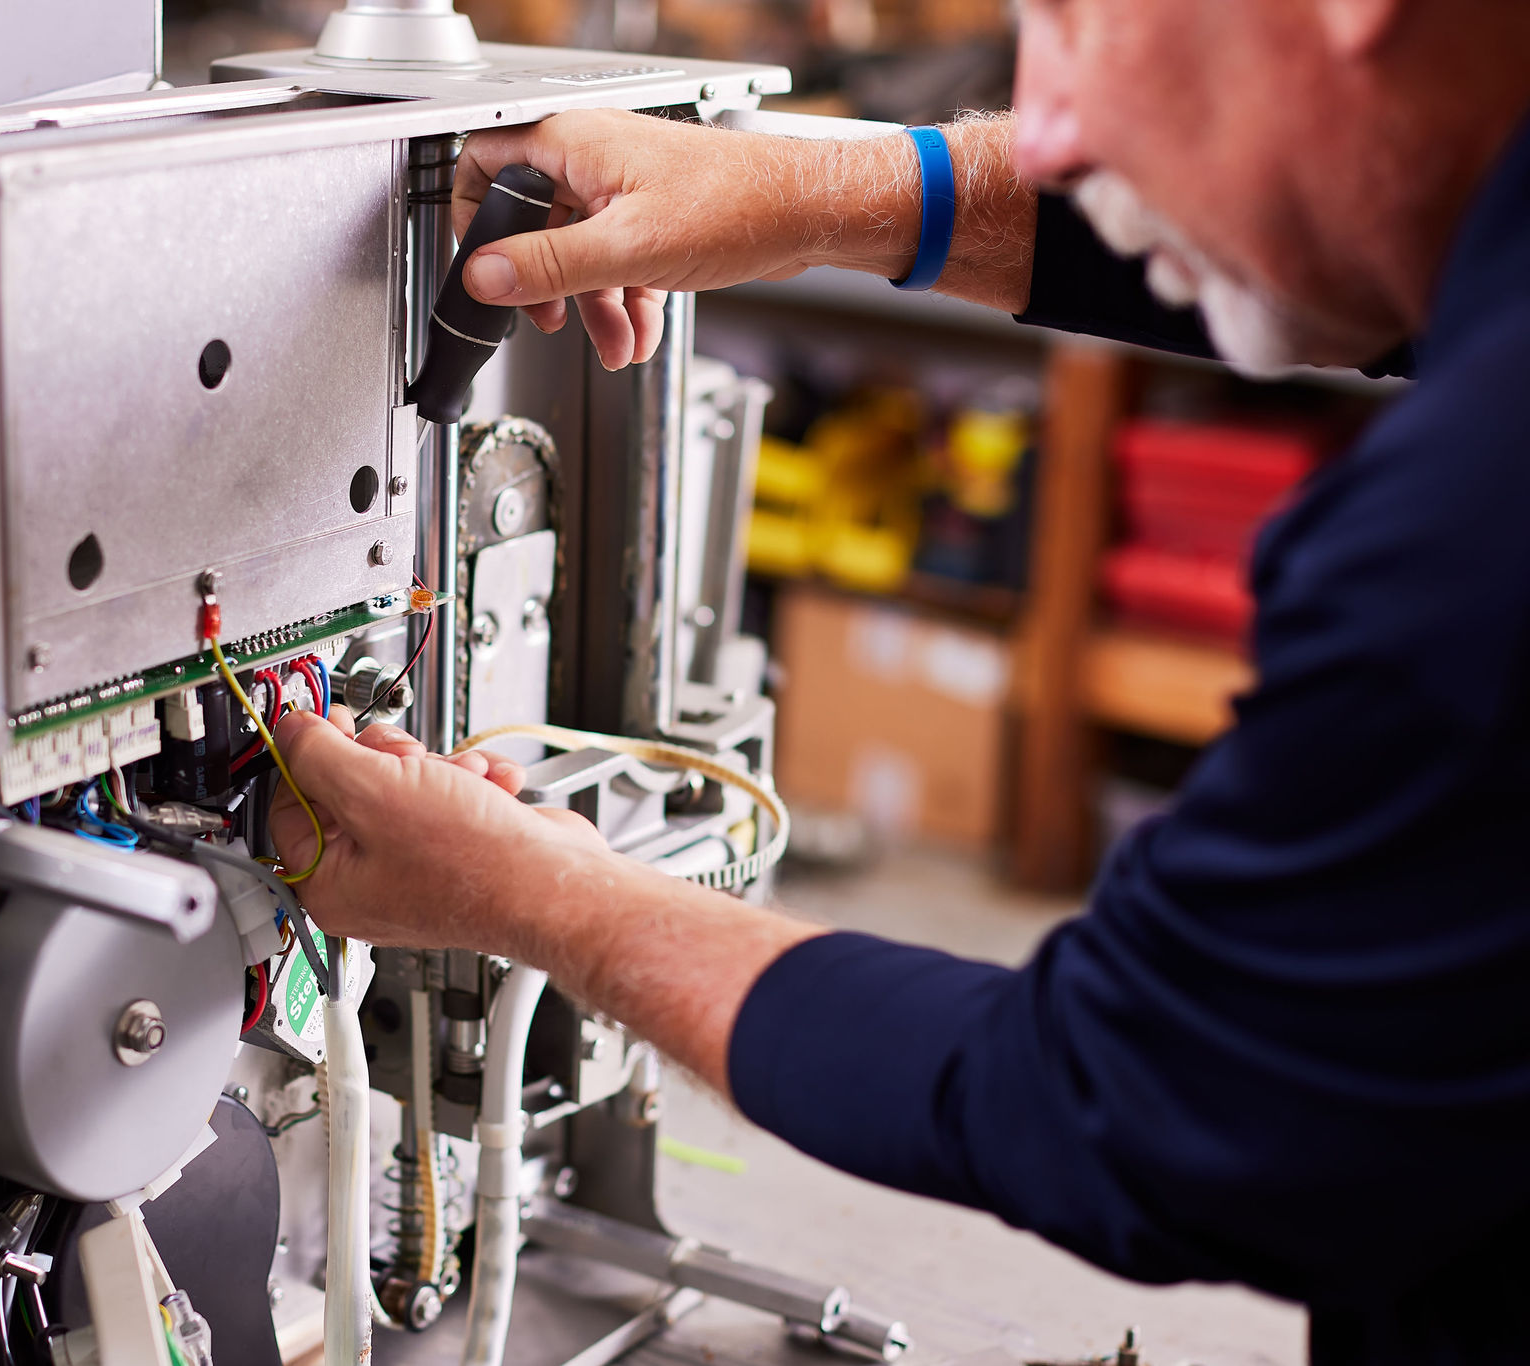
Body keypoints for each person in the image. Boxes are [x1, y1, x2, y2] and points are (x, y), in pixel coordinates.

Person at [269, 2, 1530, 1360]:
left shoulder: (1465, 544)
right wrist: (810, 192)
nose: (1042, 122)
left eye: (1078, 18)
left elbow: (1133, 1097)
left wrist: (535, 896)